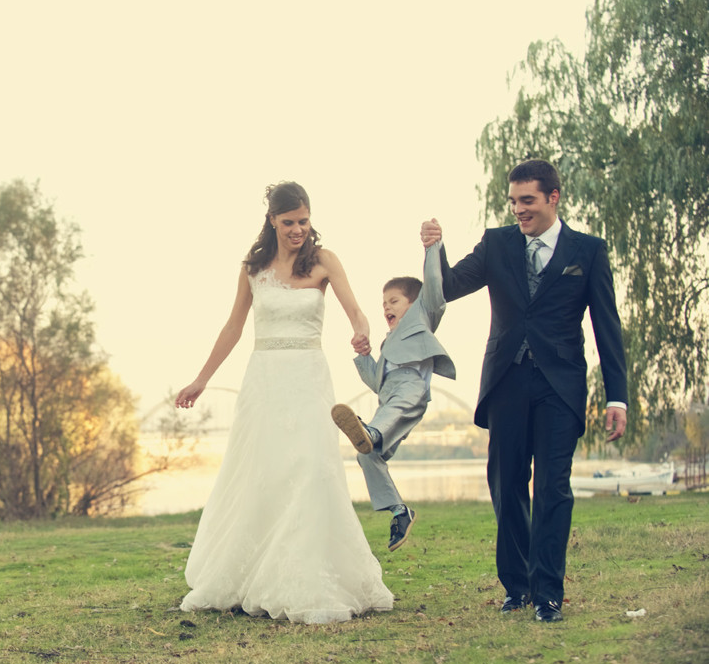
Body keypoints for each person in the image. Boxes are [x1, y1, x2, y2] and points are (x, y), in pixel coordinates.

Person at [175, 181, 394, 624]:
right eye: (290, 222)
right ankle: (253, 574)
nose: (298, 230)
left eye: (304, 221)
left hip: (310, 376)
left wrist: (361, 328)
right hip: (266, 380)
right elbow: (233, 328)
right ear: (273, 220)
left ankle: (310, 574)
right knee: (264, 471)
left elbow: (355, 308)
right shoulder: (252, 269)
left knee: (312, 468)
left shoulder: (324, 261)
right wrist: (201, 379)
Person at [423, 159, 627, 623]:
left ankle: (548, 593)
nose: (518, 209)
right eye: (513, 201)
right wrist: (435, 249)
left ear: (554, 198)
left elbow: (606, 327)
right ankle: (517, 587)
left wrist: (617, 396)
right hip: (507, 383)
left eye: (528, 200)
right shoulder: (496, 243)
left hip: (561, 385)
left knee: (553, 487)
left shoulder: (588, 251)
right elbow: (451, 286)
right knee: (506, 482)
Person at [330, 238, 456, 552]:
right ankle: (400, 512)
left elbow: (434, 287)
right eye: (384, 302)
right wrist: (363, 356)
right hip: (390, 398)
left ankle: (371, 431)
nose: (386, 306)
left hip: (411, 387)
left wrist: (432, 248)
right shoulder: (387, 346)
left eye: (394, 301)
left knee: (376, 429)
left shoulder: (422, 316)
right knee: (367, 454)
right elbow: (376, 383)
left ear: (414, 304)